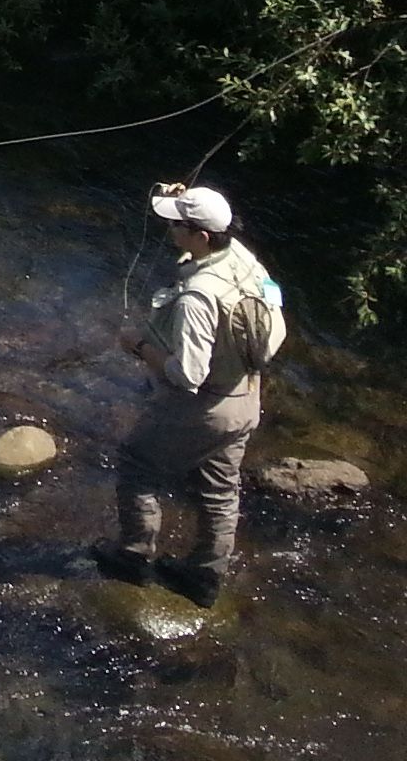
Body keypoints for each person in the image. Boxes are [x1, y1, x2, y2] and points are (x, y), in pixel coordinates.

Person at [90, 182, 287, 606]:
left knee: (137, 465)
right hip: (246, 398)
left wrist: (141, 348)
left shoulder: (197, 298)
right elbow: (274, 301)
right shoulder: (242, 258)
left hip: (203, 405)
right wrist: (183, 198)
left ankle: (133, 557)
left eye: (177, 224)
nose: (169, 230)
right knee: (220, 489)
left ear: (200, 236)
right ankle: (203, 578)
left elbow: (187, 375)